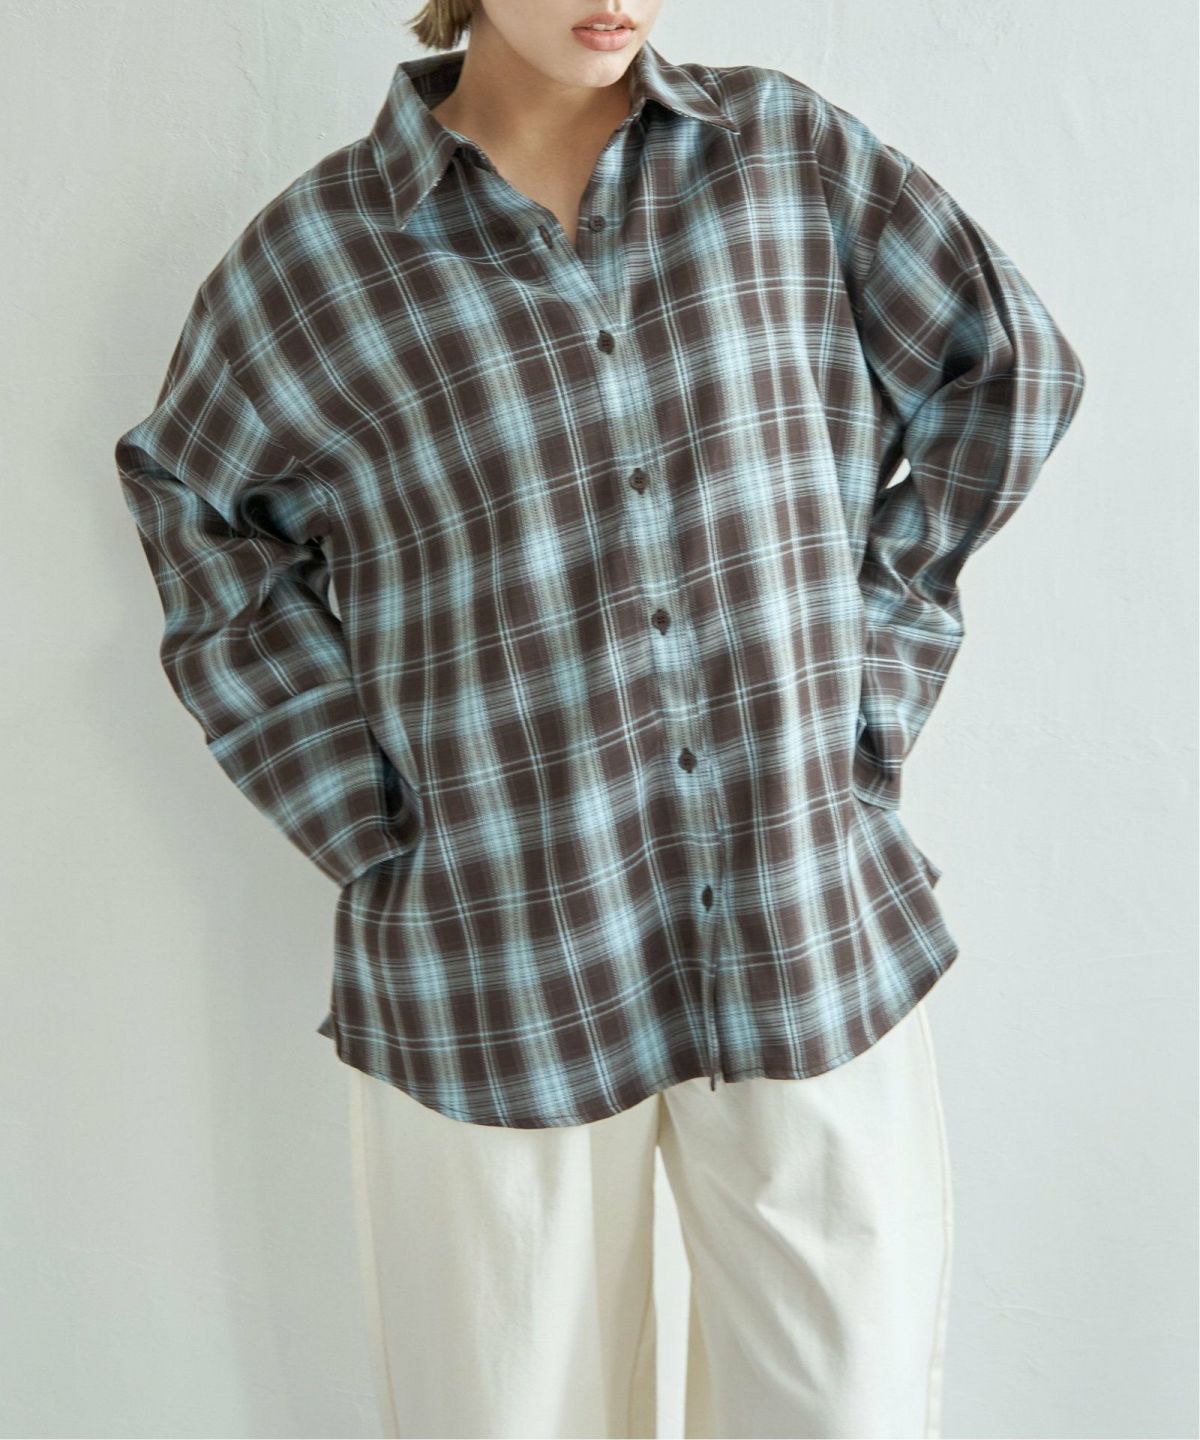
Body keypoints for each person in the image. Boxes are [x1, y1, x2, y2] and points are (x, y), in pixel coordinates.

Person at [113, 1, 1086, 1435]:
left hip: (800, 910)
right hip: (503, 954)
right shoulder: (320, 261)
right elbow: (197, 513)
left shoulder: (783, 156)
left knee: (847, 1406)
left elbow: (1009, 368)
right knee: (516, 1414)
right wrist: (369, 818)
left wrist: (870, 677)